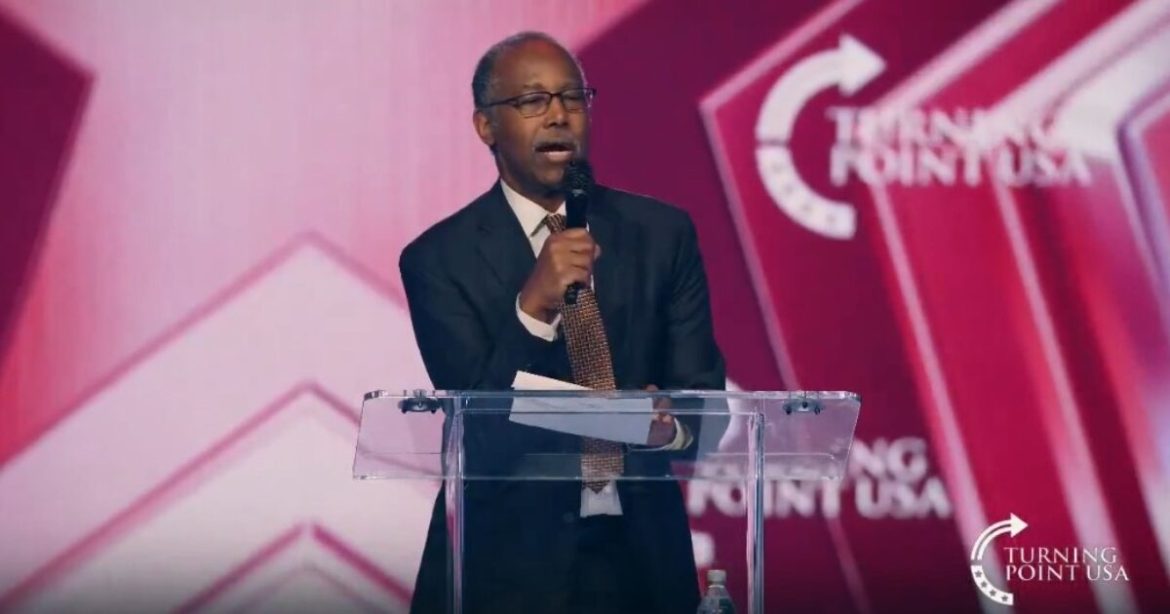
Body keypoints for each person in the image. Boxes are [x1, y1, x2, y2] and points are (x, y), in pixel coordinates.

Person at [399, 31, 725, 614]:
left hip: (642, 567)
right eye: (532, 101)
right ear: (485, 125)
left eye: (573, 98)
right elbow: (479, 431)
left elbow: (706, 404)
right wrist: (531, 310)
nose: (558, 115)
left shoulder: (662, 235)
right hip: (502, 572)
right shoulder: (438, 259)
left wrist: (668, 428)